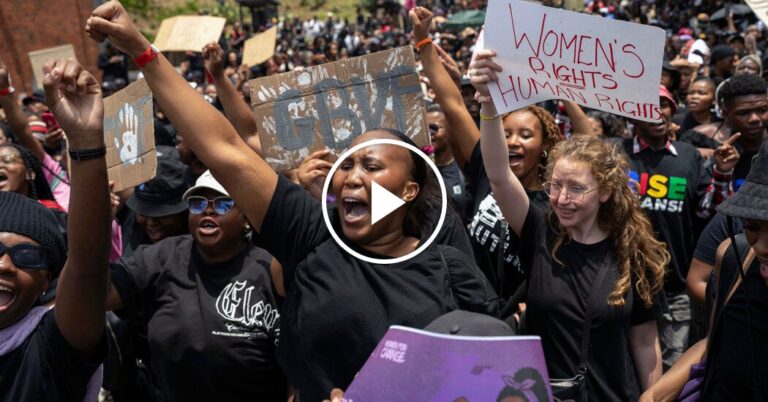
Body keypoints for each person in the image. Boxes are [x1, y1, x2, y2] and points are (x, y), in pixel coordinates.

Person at [85, 5, 498, 402]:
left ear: (410, 189)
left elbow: (488, 376)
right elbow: (226, 148)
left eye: (371, 166)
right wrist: (142, 51)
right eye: (346, 164)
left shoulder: (450, 266)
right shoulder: (311, 236)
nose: (352, 176)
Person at [471, 48, 666, 401]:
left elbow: (644, 339)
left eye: (576, 188)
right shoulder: (539, 232)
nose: (561, 198)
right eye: (556, 185)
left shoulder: (632, 252)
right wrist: (488, 105)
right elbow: (499, 176)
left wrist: (653, 396)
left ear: (605, 192)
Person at [411, 7, 560, 309]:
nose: (512, 142)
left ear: (545, 146)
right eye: (505, 133)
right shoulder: (484, 166)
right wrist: (423, 40)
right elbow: (452, 104)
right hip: (467, 310)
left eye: (525, 135)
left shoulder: (554, 206)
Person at [106, 170, 287, 401]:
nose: (208, 210)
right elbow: (100, 295)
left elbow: (296, 361)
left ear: (246, 216)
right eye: (198, 203)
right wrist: (99, 223)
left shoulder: (268, 267)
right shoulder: (164, 257)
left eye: (223, 205)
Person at [0, 57, 111, 401]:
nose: (5, 265)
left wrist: (85, 140)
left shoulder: (51, 347)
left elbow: (87, 266)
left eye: (27, 257)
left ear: (49, 280)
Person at [640, 139, 768, 402]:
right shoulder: (733, 257)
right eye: (753, 227)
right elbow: (715, 342)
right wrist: (656, 395)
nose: (763, 247)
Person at [623, 85, 740, 370]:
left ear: (672, 113)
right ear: (631, 115)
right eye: (647, 104)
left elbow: (705, 211)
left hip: (675, 285)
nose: (656, 111)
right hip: (624, 282)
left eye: (663, 104)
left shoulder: (688, 156)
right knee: (628, 361)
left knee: (673, 364)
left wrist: (722, 173)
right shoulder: (617, 152)